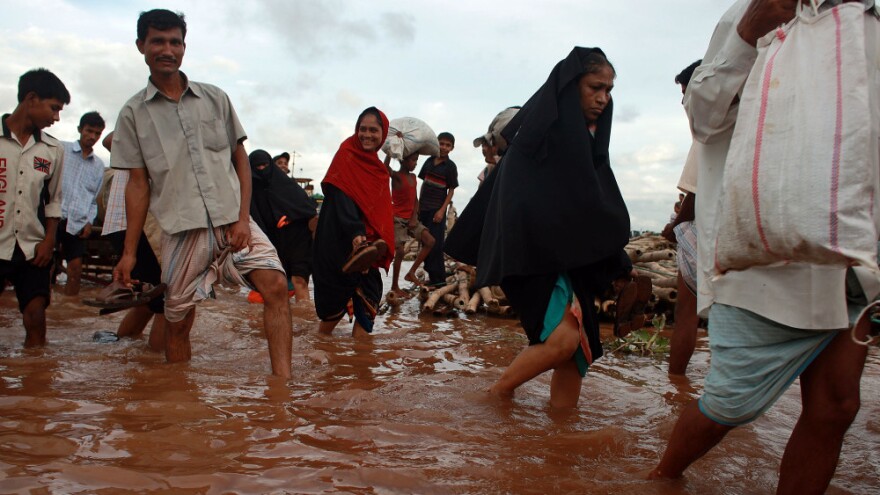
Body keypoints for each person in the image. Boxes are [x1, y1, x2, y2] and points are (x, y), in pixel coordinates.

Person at [650, 1, 879, 492]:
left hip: (852, 256)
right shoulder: (754, 11)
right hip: (765, 259)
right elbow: (703, 118)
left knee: (838, 406)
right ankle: (662, 478)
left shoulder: (868, 20)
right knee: (730, 405)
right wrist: (746, 38)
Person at [447, 47, 634, 408]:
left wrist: (616, 263)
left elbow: (587, 210)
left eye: (609, 91)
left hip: (566, 259)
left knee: (577, 354)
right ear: (570, 86)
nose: (603, 99)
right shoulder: (536, 142)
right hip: (528, 256)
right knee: (562, 341)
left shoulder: (585, 145)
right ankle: (494, 399)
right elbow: (522, 209)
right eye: (595, 87)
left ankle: (560, 443)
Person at [111, 9, 292, 378]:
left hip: (233, 221)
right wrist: (129, 253)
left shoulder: (215, 98)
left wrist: (243, 218)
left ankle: (282, 389)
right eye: (158, 41)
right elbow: (138, 185)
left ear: (184, 46)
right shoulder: (133, 114)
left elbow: (240, 160)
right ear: (141, 46)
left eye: (175, 42)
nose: (168, 49)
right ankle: (181, 401)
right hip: (182, 230)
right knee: (177, 321)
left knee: (275, 285)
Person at [0, 68, 69, 346]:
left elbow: (53, 201)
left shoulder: (52, 150)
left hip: (32, 246)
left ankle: (36, 380)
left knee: (36, 315)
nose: (56, 117)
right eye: (53, 108)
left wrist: (49, 241)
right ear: (31, 99)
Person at [313, 107, 394, 336]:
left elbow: (379, 211)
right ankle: (320, 350)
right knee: (332, 312)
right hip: (339, 243)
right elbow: (341, 197)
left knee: (369, 305)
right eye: (363, 129)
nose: (367, 135)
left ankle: (360, 366)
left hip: (368, 248)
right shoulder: (346, 154)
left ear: (383, 134)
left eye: (373, 130)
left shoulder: (380, 171)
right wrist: (356, 234)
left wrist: (372, 243)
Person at [100, 131, 167, 350]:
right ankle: (159, 369)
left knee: (151, 299)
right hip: (137, 225)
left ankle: (124, 349)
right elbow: (110, 141)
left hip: (132, 224)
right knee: (170, 301)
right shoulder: (143, 119)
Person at [661, 59, 701, 376]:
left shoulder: (710, 132)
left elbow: (695, 195)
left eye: (686, 93)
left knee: (685, 313)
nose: (683, 102)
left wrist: (672, 228)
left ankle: (675, 382)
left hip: (711, 233)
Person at [248, 149, 317, 301]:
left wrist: (289, 218)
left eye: (264, 165)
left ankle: (305, 321)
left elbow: (308, 211)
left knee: (299, 281)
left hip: (299, 240)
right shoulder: (251, 192)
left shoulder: (288, 186)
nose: (261, 170)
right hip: (273, 246)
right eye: (257, 167)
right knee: (275, 287)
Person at [57, 111, 106, 296]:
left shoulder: (98, 166)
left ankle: (70, 306)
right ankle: (44, 307)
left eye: (97, 133)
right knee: (43, 265)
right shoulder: (61, 150)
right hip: (54, 217)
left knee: (75, 269)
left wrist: (89, 221)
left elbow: (93, 199)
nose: (92, 136)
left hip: (77, 222)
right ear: (80, 129)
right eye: (89, 131)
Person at [386, 152, 435, 296]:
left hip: (411, 219)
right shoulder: (396, 176)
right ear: (403, 161)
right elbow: (384, 167)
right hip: (397, 219)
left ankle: (411, 272)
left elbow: (415, 200)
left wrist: (414, 217)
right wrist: (390, 153)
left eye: (416, 160)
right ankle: (395, 286)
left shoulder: (413, 177)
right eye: (413, 160)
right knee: (400, 252)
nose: (415, 163)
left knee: (430, 241)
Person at [417, 132, 458, 286]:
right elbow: (424, 183)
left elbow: (451, 190)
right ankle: (431, 275)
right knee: (424, 242)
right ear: (436, 143)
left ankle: (439, 279)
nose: (444, 147)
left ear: (452, 148)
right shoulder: (428, 161)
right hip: (424, 208)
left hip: (436, 210)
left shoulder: (450, 167)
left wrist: (442, 211)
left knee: (435, 244)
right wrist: (419, 205)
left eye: (448, 145)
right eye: (441, 143)